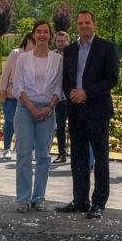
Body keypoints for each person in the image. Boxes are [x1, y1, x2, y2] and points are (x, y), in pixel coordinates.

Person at [58, 10, 119, 219]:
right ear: (76, 26)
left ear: (95, 24)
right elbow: (65, 78)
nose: (83, 26)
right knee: (78, 158)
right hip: (75, 110)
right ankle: (80, 200)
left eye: (87, 22)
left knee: (100, 158)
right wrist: (72, 94)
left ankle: (99, 203)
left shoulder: (106, 47)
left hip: (97, 110)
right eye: (80, 23)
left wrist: (87, 93)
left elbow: (112, 78)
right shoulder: (71, 49)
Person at [12, 20, 62, 212]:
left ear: (50, 35)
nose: (42, 35)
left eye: (45, 32)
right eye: (38, 31)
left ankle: (39, 197)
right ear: (33, 35)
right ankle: (23, 199)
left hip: (48, 110)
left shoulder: (58, 60)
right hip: (26, 109)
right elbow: (17, 87)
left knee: (43, 156)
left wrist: (49, 107)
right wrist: (32, 108)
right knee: (24, 154)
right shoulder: (23, 58)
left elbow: (59, 87)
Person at [0, 31, 35, 160]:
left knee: (28, 123)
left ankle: (30, 150)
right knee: (10, 121)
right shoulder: (16, 53)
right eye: (32, 39)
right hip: (10, 93)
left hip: (27, 95)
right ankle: (7, 149)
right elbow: (5, 73)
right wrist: (2, 90)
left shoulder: (36, 56)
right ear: (27, 40)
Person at [52, 30, 71, 163]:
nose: (60, 43)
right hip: (59, 97)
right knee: (60, 127)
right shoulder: (52, 56)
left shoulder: (74, 54)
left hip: (73, 97)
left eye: (63, 41)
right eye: (58, 41)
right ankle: (62, 153)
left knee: (76, 127)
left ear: (68, 41)